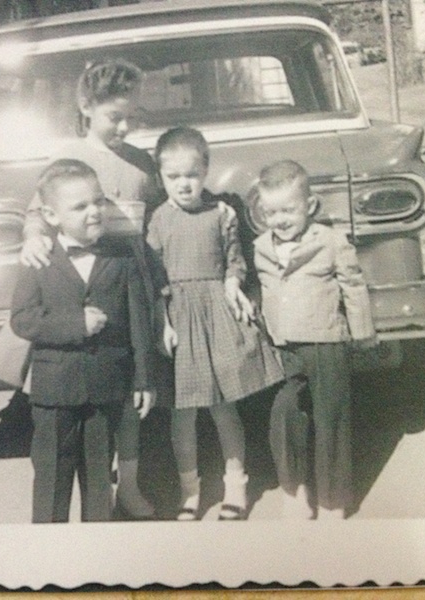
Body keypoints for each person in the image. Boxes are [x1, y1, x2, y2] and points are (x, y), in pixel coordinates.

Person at [0, 58, 162, 519]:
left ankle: (129, 485)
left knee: (126, 396)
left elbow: (160, 218)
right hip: (76, 283)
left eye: (132, 117)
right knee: (88, 408)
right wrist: (31, 238)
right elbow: (36, 210)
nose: (124, 127)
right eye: (114, 117)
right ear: (87, 108)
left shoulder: (144, 163)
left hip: (127, 273)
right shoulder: (70, 159)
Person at [147, 127, 284, 521]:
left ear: (205, 171)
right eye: (173, 177)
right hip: (179, 319)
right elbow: (154, 278)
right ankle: (190, 491)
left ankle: (235, 484)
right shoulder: (158, 220)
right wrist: (162, 322)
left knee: (225, 409)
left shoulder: (221, 213)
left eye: (191, 175)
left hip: (216, 315)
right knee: (183, 414)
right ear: (161, 177)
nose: (184, 185)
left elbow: (234, 258)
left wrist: (232, 283)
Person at [10, 159, 155, 523]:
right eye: (80, 206)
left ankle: (95, 558)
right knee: (51, 480)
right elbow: (22, 319)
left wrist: (143, 379)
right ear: (51, 215)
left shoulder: (121, 259)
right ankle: (49, 560)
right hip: (54, 393)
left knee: (98, 482)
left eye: (99, 201)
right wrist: (76, 323)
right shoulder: (37, 258)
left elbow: (139, 322)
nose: (94, 212)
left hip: (107, 388)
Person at [252, 160, 377, 520]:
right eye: (272, 212)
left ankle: (333, 500)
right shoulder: (261, 247)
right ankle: (294, 491)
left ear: (309, 206)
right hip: (283, 346)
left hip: (325, 344)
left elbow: (353, 285)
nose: (280, 219)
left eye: (288, 210)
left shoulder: (331, 241)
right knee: (285, 416)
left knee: (331, 420)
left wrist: (362, 332)